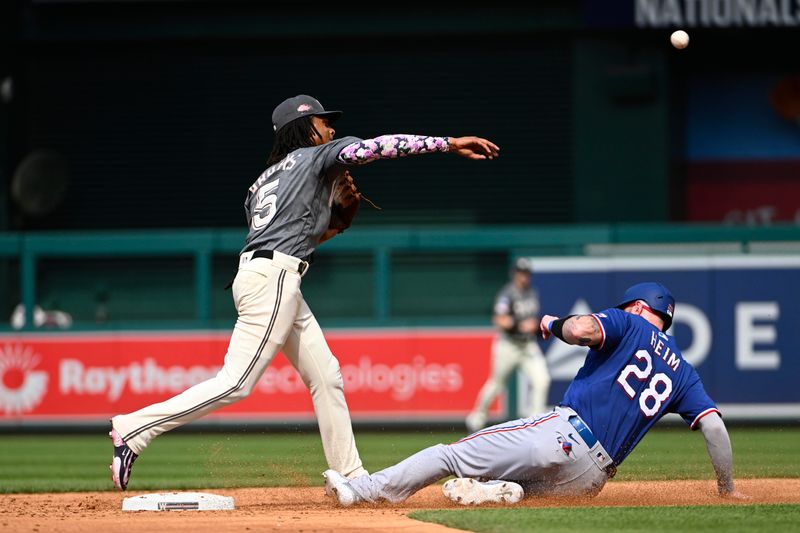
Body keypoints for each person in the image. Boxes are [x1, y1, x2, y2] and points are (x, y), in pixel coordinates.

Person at [107, 94, 500, 490]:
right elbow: (379, 147)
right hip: (274, 277)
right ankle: (135, 428)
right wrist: (447, 143)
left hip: (266, 273)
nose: (331, 129)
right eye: (324, 122)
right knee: (236, 382)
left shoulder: (262, 182)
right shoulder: (318, 156)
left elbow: (299, 236)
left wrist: (338, 220)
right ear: (304, 126)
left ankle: (352, 477)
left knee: (326, 375)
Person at [324, 282, 747, 505]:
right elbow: (713, 428)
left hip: (563, 436)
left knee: (448, 455)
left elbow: (582, 329)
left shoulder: (630, 323)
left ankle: (361, 492)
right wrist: (726, 488)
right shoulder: (684, 373)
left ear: (638, 307)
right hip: (590, 481)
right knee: (516, 488)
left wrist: (550, 323)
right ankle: (499, 493)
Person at [465, 257, 551, 433]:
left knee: (542, 380)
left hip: (527, 345)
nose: (524, 276)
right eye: (521, 273)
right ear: (514, 274)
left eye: (527, 273)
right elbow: (499, 319)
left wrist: (534, 325)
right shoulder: (507, 294)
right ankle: (477, 417)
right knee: (497, 383)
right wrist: (519, 325)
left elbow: (534, 319)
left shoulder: (532, 293)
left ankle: (535, 424)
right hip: (509, 345)